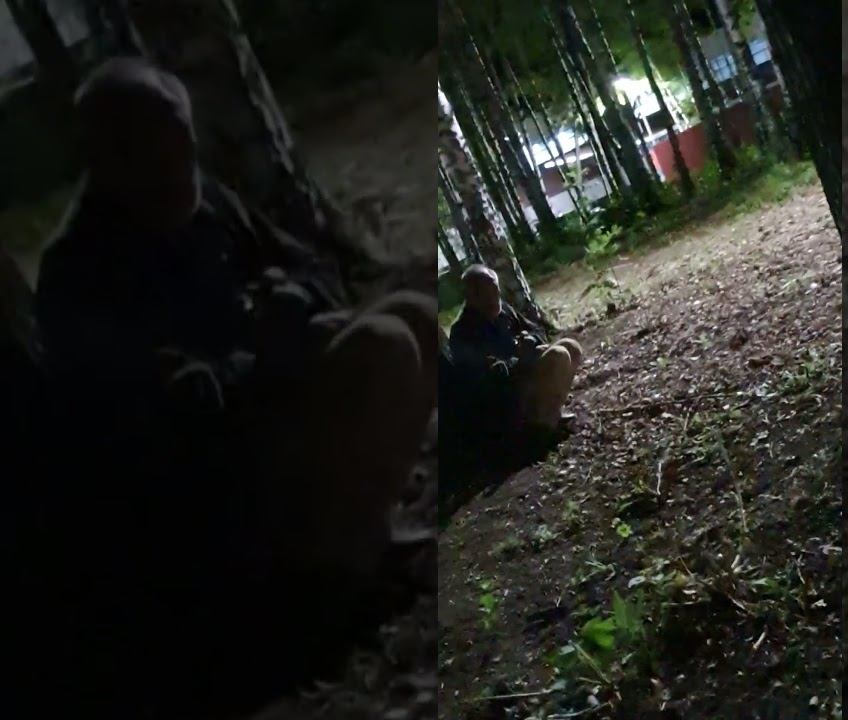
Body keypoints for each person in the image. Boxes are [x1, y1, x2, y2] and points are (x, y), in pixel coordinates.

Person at [23, 56, 439, 717]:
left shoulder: (206, 200)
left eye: (183, 141)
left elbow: (309, 267)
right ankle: (324, 584)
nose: (180, 164)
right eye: (155, 153)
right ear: (109, 163)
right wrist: (254, 354)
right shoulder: (79, 274)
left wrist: (294, 298)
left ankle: (361, 540)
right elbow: (151, 425)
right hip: (209, 492)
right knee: (382, 348)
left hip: (264, 411)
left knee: (413, 316)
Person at [448, 263, 582, 437]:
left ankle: (550, 414)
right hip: (503, 399)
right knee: (558, 355)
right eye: (483, 293)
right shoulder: (462, 332)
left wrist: (531, 339)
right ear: (469, 298)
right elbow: (483, 380)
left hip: (524, 374)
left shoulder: (504, 309)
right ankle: (539, 429)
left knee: (571, 347)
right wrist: (518, 359)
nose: (492, 298)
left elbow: (536, 330)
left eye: (494, 290)